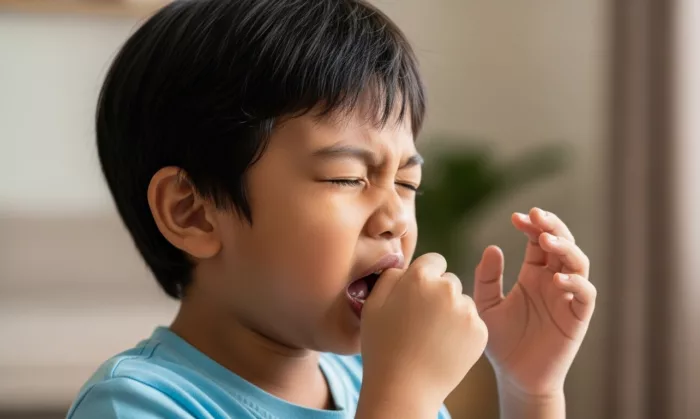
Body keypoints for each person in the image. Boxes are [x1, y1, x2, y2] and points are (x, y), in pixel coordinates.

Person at [66, 0, 597, 418]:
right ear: (194, 213)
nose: (395, 219)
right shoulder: (135, 404)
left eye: (408, 182)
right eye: (347, 177)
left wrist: (531, 388)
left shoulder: (374, 378)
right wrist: (403, 396)